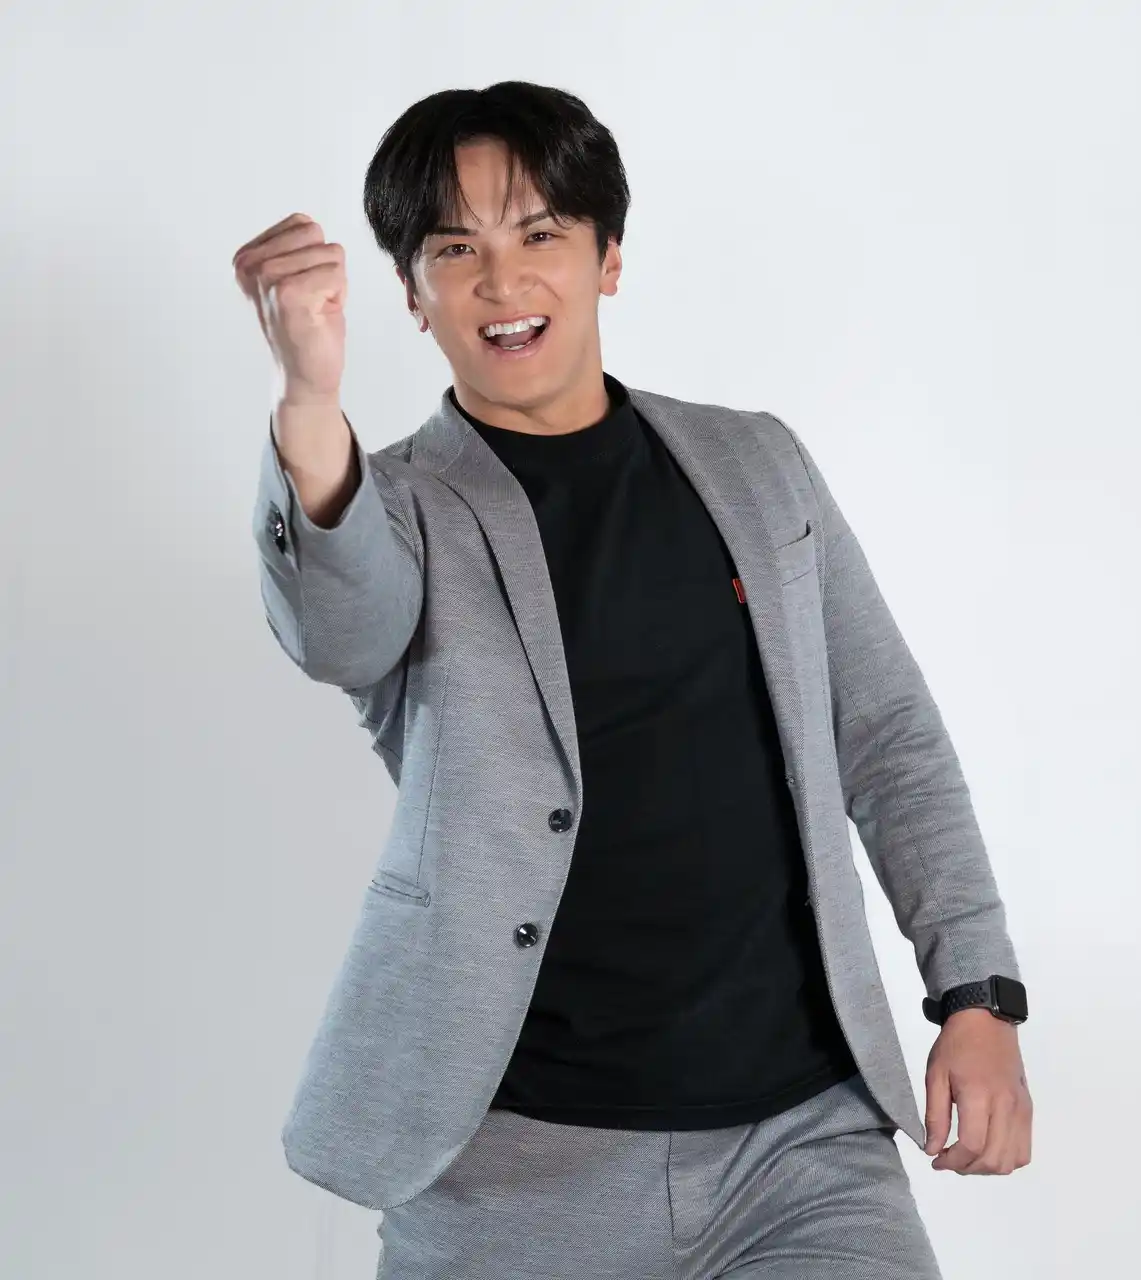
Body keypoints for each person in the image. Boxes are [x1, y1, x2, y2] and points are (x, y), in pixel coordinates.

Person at [235, 79, 1032, 1279]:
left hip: (800, 1153)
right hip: (510, 1172)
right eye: (456, 249)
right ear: (411, 292)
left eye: (540, 233)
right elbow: (339, 632)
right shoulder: (393, 506)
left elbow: (886, 733)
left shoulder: (758, 463)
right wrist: (307, 399)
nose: (502, 280)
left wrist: (976, 990)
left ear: (608, 258)